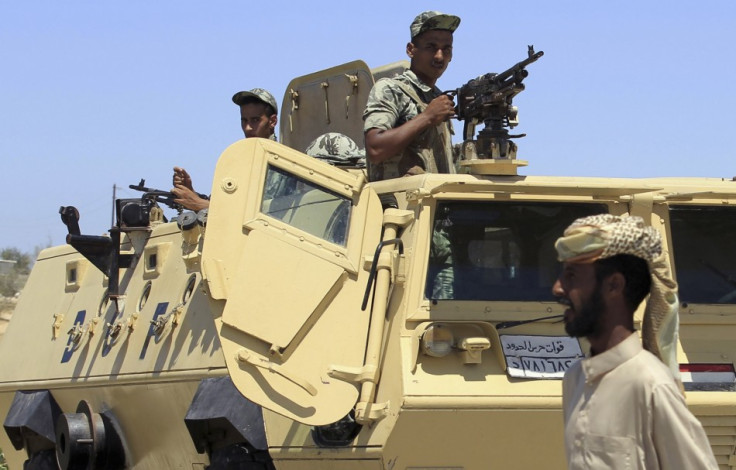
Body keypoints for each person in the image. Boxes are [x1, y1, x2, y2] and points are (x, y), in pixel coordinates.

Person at [552, 214, 718, 470]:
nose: (558, 289)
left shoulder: (652, 385)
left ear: (614, 285)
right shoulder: (575, 379)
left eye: (571, 276)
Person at [363, 10, 460, 182]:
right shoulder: (391, 89)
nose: (439, 56)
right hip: (398, 204)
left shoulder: (438, 97)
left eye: (446, 49)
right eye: (431, 47)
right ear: (411, 50)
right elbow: (375, 149)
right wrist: (428, 117)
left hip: (435, 204)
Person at [172, 88, 278, 211]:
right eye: (244, 121)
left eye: (255, 120)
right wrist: (191, 194)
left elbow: (268, 214)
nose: (248, 128)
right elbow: (224, 204)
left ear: (272, 121)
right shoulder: (239, 161)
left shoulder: (279, 162)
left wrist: (200, 205)